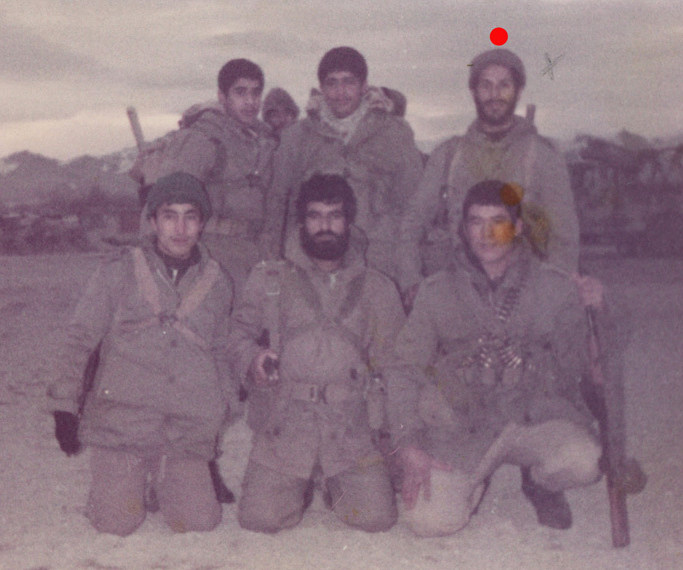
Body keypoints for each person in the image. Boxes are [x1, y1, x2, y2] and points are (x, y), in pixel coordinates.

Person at [387, 179, 626, 538]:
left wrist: (600, 307)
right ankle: (472, 481)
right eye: (476, 222)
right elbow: (404, 369)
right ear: (463, 229)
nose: (486, 234)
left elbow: (585, 363)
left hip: (533, 418)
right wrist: (408, 444)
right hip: (464, 429)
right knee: (429, 521)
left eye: (497, 222)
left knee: (586, 461)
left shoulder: (554, 287)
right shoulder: (437, 292)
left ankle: (541, 483)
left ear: (517, 228)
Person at [48, 172, 235, 536]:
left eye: (190, 217)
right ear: (152, 222)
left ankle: (163, 480)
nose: (180, 228)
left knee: (199, 523)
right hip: (124, 425)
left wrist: (221, 411)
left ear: (201, 224)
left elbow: (221, 353)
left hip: (183, 430)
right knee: (117, 523)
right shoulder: (118, 271)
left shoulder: (218, 283)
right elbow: (80, 338)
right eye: (169, 216)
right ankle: (123, 481)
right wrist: (63, 407)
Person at [229, 174, 404, 533]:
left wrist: (393, 437)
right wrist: (252, 359)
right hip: (287, 422)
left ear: (348, 221)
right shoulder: (269, 279)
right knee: (260, 519)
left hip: (350, 425)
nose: (325, 226)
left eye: (334, 215)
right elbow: (237, 334)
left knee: (376, 519)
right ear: (302, 223)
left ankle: (332, 485)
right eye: (315, 216)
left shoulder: (378, 288)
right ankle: (301, 482)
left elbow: (397, 363)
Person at [396, 48, 580, 309]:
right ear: (474, 91)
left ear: (518, 91)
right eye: (486, 85)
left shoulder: (542, 155)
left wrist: (552, 295)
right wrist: (410, 280)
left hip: (525, 293)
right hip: (458, 291)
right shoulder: (448, 155)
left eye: (504, 85)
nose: (495, 95)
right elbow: (412, 222)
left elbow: (564, 237)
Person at [264, 46, 423, 282]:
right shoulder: (297, 137)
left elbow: (413, 207)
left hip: (378, 264)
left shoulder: (395, 133)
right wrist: (272, 262)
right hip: (312, 263)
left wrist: (409, 273)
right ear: (321, 88)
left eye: (349, 82)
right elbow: (277, 204)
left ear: (364, 86)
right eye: (332, 83)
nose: (340, 93)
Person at [129, 58, 278, 292]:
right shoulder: (202, 140)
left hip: (255, 255)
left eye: (256, 93)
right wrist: (153, 267)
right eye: (240, 92)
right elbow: (161, 203)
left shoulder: (263, 141)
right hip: (212, 257)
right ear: (222, 96)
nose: (250, 101)